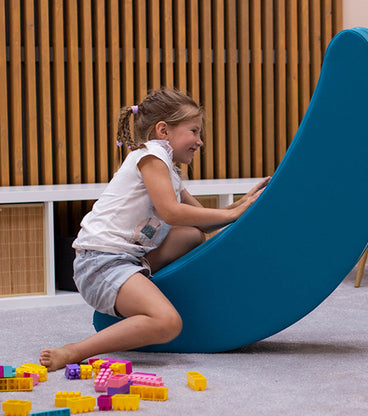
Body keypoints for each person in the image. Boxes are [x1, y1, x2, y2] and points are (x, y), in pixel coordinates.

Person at [40, 88, 269, 371]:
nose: (199, 141)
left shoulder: (167, 168)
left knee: (192, 235)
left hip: (126, 259)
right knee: (168, 322)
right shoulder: (151, 156)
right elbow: (171, 212)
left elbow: (202, 221)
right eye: (194, 131)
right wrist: (235, 211)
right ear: (163, 130)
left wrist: (243, 203)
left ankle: (142, 284)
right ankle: (74, 351)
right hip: (100, 262)